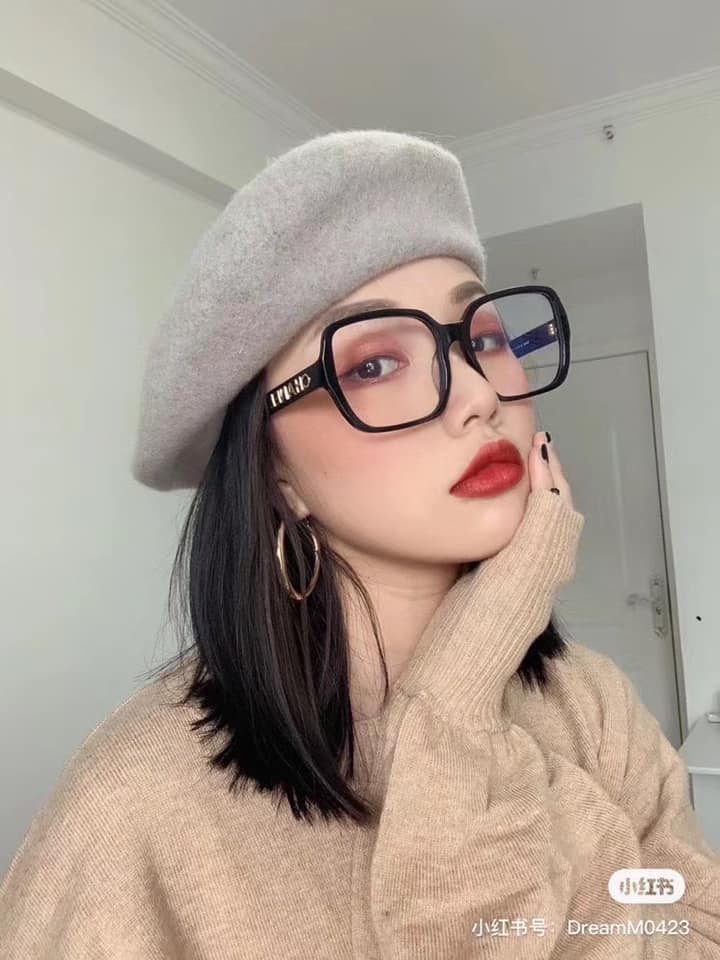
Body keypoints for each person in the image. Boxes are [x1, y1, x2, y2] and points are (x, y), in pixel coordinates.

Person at [1, 130, 718, 958]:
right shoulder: (134, 804)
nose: (478, 395)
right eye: (374, 365)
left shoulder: (591, 703)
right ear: (276, 476)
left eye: (482, 338)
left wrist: (470, 672)